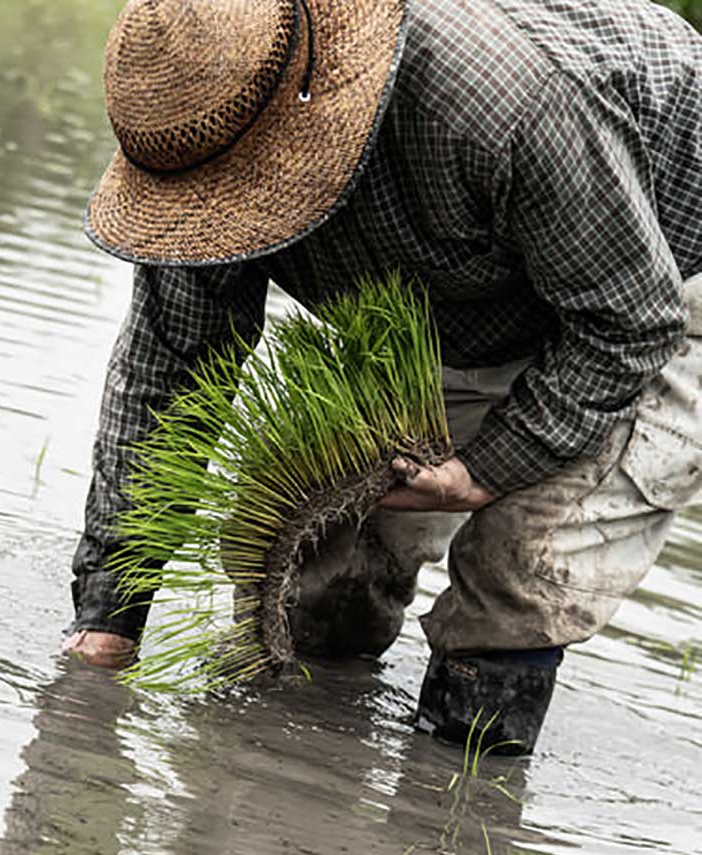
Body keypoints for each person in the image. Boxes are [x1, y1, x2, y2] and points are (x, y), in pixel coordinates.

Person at [61, 0, 702, 754]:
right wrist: (109, 616)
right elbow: (171, 370)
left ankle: (459, 812)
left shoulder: (495, 104)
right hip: (455, 303)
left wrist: (483, 473)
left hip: (655, 282)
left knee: (517, 579)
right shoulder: (204, 136)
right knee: (315, 582)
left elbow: (628, 323)